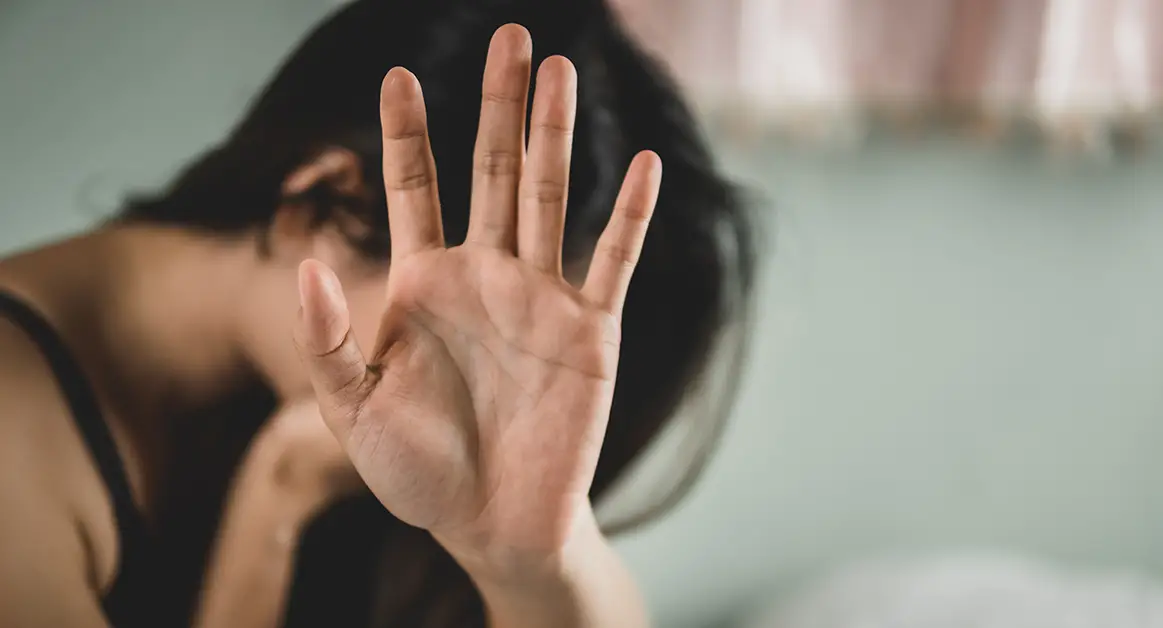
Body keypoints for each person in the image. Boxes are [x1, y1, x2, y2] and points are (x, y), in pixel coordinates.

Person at [0, 1, 755, 626]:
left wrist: (536, 563)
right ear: (322, 197)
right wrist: (273, 512)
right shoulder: (15, 420)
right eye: (479, 324)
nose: (491, 389)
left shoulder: (314, 437)